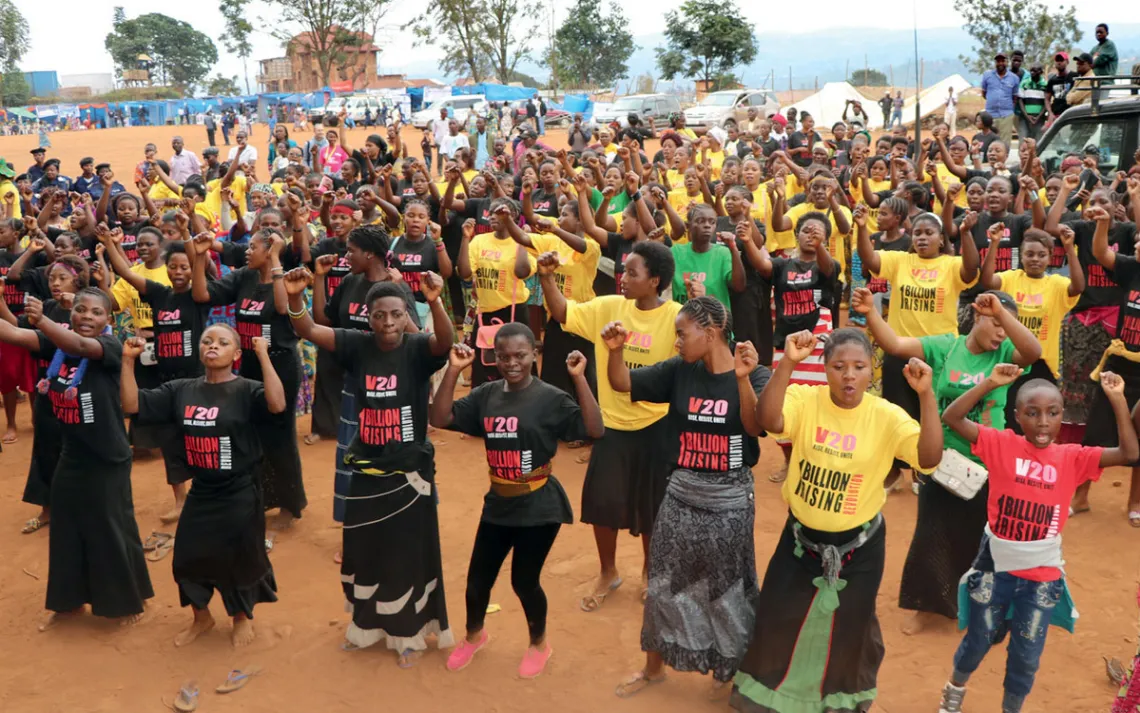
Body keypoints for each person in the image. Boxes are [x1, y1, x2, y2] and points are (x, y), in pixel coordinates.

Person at [730, 329, 942, 713]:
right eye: (838, 366)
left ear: (872, 371)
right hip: (800, 542)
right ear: (825, 368)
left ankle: (839, 701)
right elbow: (769, 420)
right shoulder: (805, 398)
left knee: (848, 629)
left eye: (859, 367)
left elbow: (928, 458)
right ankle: (765, 696)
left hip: (859, 550)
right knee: (778, 617)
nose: (849, 375)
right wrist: (788, 362)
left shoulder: (886, 416)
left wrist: (926, 396)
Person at [935, 367, 1138, 713]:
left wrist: (1118, 398)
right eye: (1032, 413)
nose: (1043, 422)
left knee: (1026, 656)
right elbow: (951, 417)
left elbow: (1129, 454)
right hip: (995, 567)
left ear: (1062, 415)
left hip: (1041, 576)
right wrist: (991, 383)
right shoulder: (1001, 444)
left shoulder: (1072, 457)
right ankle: (955, 687)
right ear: (1017, 416)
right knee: (979, 639)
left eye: (1053, 413)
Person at [285, 266, 454, 667]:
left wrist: (435, 302)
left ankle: (407, 634)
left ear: (406, 315)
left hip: (408, 473)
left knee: (404, 554)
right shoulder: (356, 344)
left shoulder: (417, 349)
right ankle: (365, 628)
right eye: (379, 315)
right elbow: (307, 328)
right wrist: (294, 297)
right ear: (369, 317)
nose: (388, 322)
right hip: (365, 470)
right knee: (364, 550)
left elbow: (445, 341)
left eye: (396, 314)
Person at [602, 297, 769, 698]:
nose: (677, 341)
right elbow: (622, 382)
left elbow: (755, 427)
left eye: (682, 333)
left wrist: (742, 379)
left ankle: (728, 670)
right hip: (681, 492)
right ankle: (653, 668)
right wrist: (616, 351)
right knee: (663, 585)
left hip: (729, 498)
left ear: (710, 334)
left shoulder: (756, 373)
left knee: (726, 591)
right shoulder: (679, 370)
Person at [862, 289, 1042, 635]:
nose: (1001, 332)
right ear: (976, 316)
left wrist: (1002, 315)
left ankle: (975, 606)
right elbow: (895, 345)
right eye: (994, 322)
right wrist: (871, 311)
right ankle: (927, 608)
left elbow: (1033, 351)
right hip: (942, 460)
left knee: (981, 539)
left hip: (990, 464)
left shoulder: (1006, 353)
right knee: (931, 535)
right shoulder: (946, 347)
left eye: (1007, 324)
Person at [433, 325, 602, 677]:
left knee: (524, 582)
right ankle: (474, 636)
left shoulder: (550, 398)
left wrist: (579, 378)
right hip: (499, 502)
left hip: (539, 505)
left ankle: (539, 644)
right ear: (494, 358)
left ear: (533, 354)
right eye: (504, 356)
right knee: (477, 581)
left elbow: (594, 429)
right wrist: (453, 369)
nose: (512, 363)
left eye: (520, 355)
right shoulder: (487, 395)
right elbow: (440, 418)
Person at [537, 240, 680, 611]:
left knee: (652, 507)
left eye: (632, 272)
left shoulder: (676, 318)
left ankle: (649, 572)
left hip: (656, 425)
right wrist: (547, 277)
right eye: (624, 270)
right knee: (603, 504)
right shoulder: (608, 307)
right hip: (611, 425)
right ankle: (608, 571)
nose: (623, 278)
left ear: (655, 281)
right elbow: (562, 312)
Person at [0, 289, 154, 629]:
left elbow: (81, 346)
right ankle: (68, 604)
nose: (87, 316)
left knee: (112, 530)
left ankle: (129, 601)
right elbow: (11, 333)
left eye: (96, 313)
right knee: (66, 529)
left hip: (107, 456)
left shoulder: (109, 346)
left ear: (108, 319)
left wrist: (42, 321)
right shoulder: (57, 344)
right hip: (71, 455)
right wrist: (39, 324)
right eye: (81, 310)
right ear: (70, 314)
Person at [122, 326, 283, 647]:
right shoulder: (181, 389)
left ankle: (241, 618)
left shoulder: (246, 389)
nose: (213, 346)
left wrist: (263, 355)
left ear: (236, 354)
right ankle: (202, 618)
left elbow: (277, 404)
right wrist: (127, 361)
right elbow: (131, 405)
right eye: (207, 341)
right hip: (203, 490)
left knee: (239, 560)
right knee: (186, 558)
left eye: (223, 343)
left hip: (240, 489)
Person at [191, 229, 306, 541]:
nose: (246, 251)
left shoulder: (284, 277)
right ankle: (260, 498)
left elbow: (282, 308)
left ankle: (289, 504)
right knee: (252, 433)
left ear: (269, 250)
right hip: (250, 365)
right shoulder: (244, 277)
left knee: (280, 434)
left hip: (280, 365)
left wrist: (276, 259)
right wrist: (199, 257)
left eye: (252, 247)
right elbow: (201, 295)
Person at [977, 226, 1083, 427]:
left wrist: (1069, 248)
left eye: (1041, 255)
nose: (1035, 259)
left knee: (1036, 421)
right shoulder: (1010, 279)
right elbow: (987, 280)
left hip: (1043, 364)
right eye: (1030, 254)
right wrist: (995, 243)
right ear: (1021, 256)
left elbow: (1078, 286)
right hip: (1009, 361)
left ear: (1050, 257)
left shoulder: (1057, 284)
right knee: (1008, 420)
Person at [457, 199, 537, 384]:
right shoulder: (479, 241)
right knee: (484, 369)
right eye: (490, 212)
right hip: (484, 314)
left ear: (513, 216)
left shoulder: (524, 241)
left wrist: (522, 241)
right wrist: (465, 238)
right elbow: (465, 273)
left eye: (498, 212)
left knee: (517, 367)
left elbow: (522, 272)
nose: (492, 216)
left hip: (514, 312)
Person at [981, 52, 1021, 146]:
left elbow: (1014, 97)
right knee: (989, 141)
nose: (1000, 63)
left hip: (1006, 115)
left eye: (1003, 61)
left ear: (1007, 62)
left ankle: (1004, 156)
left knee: (1005, 142)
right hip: (990, 114)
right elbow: (984, 93)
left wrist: (1006, 105)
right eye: (998, 61)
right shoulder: (987, 75)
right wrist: (993, 100)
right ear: (995, 63)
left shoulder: (1014, 78)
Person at [1017, 64, 1048, 142]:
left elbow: (1047, 103)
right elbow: (1020, 101)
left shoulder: (1045, 85)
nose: (1032, 72)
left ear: (1041, 72)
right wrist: (1027, 116)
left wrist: (1038, 117)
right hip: (1024, 119)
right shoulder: (1024, 83)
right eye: (1031, 70)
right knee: (1023, 142)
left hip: (1039, 119)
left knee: (1038, 143)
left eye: (1035, 71)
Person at [1046, 52, 1076, 123]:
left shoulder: (1074, 76)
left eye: (1061, 60)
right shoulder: (1052, 80)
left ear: (1067, 62)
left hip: (1070, 114)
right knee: (1045, 129)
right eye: (1057, 60)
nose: (1059, 63)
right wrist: (1050, 113)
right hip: (1056, 115)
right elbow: (1047, 99)